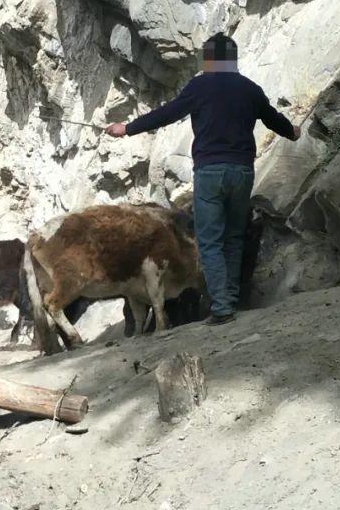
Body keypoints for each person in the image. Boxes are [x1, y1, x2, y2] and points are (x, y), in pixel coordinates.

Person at [105, 33, 301, 326]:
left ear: (208, 60)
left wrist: (127, 128)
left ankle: (221, 307)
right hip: (242, 171)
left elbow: (166, 114)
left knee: (209, 242)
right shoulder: (250, 89)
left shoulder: (200, 86)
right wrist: (293, 131)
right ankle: (230, 300)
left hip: (210, 172)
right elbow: (274, 120)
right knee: (234, 237)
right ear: (233, 59)